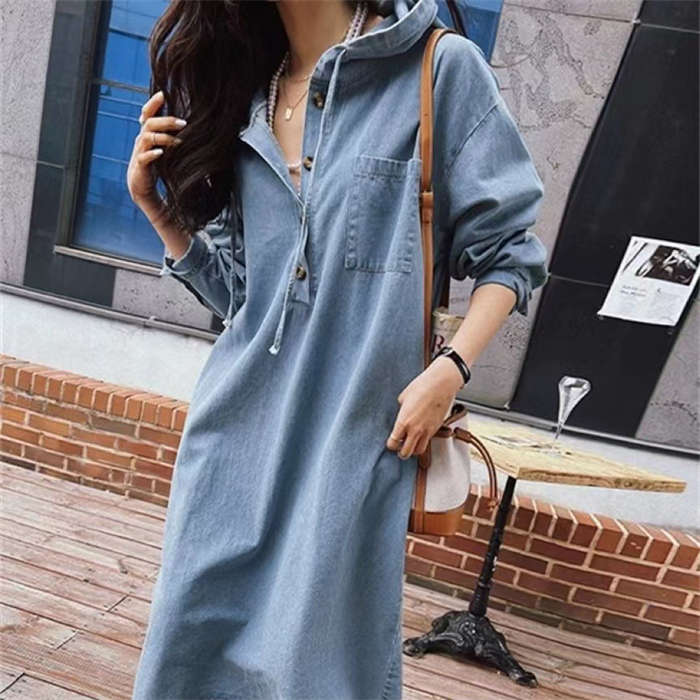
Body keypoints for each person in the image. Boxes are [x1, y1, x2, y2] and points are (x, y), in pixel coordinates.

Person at [127, 0, 549, 698]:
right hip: (232, 443)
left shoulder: (436, 69)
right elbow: (242, 299)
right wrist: (155, 207)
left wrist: (450, 370)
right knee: (192, 651)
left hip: (354, 442)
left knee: (319, 663)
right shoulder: (247, 95)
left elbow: (511, 256)